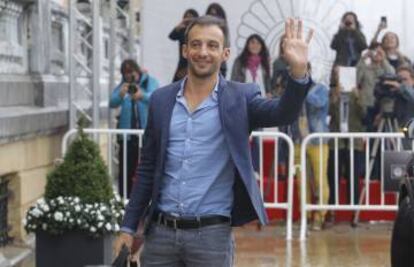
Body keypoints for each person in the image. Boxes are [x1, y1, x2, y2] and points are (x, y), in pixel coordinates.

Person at [115, 16, 314, 266]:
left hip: (211, 238)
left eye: (212, 45)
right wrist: (128, 226)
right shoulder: (161, 100)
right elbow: (146, 168)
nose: (203, 52)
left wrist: (297, 72)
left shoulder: (241, 98)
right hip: (160, 237)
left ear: (225, 53)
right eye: (196, 44)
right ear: (185, 50)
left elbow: (284, 113)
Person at [109, 59, 159, 198]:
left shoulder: (149, 82)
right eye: (126, 74)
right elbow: (112, 102)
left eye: (132, 73)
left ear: (138, 71)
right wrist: (121, 93)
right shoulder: (123, 85)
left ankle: (146, 199)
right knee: (126, 169)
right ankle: (124, 198)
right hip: (127, 137)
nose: (129, 76)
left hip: (145, 134)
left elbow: (155, 98)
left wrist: (141, 95)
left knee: (146, 169)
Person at [169, 9, 199, 82]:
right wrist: (180, 24)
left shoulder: (199, 31)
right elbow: (171, 36)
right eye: (187, 17)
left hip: (195, 61)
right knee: (177, 84)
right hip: (183, 61)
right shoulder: (182, 30)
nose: (189, 19)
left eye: (191, 17)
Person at [206, 3, 228, 77]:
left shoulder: (224, 27)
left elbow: (227, 44)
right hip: (206, 62)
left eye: (216, 15)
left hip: (220, 63)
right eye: (211, 14)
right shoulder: (203, 28)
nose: (213, 18)